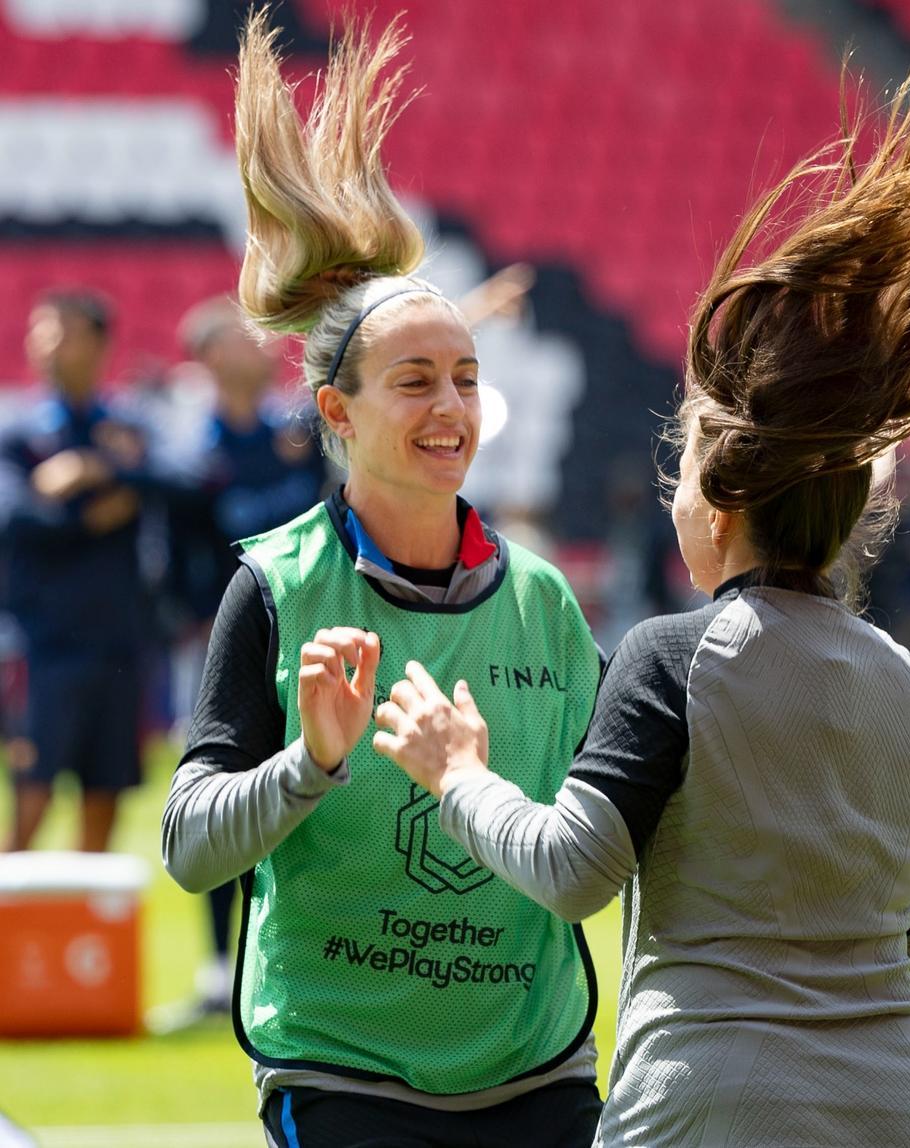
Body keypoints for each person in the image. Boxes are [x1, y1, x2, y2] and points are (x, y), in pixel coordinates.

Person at [372, 43, 910, 1148]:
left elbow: (570, 871)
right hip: (894, 1107)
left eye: (680, 469)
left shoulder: (676, 655)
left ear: (721, 505)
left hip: (704, 1105)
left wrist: (458, 773)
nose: (671, 492)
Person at [161, 14, 603, 1147]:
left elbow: (619, 830)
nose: (451, 409)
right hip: (343, 1071)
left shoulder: (544, 600)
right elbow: (191, 847)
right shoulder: (275, 585)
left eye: (464, 377)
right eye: (415, 381)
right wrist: (309, 761)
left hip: (536, 1067)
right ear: (336, 409)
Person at [153, 297, 328, 1031]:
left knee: (307, 792)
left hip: (308, 629)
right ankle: (217, 968)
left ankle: (296, 956)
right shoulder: (190, 455)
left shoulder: (299, 434)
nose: (259, 343)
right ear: (207, 357)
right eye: (237, 336)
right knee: (226, 789)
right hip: (223, 639)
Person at [0, 291, 152, 853]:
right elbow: (15, 516)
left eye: (58, 331)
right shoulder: (18, 431)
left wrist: (92, 468)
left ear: (97, 342)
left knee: (103, 801)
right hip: (44, 647)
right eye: (38, 332)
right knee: (31, 801)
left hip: (116, 644)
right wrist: (97, 510)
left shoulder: (126, 429)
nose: (44, 345)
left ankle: (85, 938)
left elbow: (176, 483)